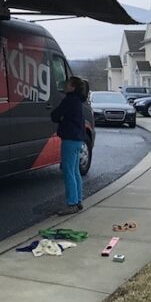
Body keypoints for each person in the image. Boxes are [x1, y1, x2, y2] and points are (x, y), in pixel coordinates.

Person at [51, 76, 87, 215]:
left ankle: (72, 203)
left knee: (68, 171)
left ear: (72, 86)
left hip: (70, 139)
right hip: (78, 139)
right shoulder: (78, 100)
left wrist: (61, 118)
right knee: (75, 171)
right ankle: (78, 200)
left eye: (67, 84)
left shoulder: (69, 100)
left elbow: (55, 115)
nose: (65, 86)